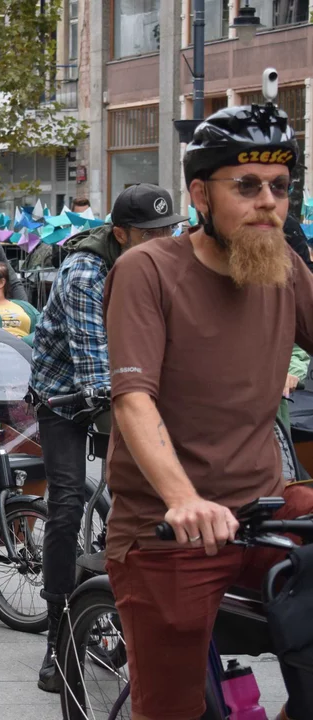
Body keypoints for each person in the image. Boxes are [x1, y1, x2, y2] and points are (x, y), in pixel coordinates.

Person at [102, 101, 313, 720]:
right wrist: (182, 499)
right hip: (167, 527)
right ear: (200, 193)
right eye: (246, 186)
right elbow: (134, 399)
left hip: (265, 509)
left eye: (279, 186)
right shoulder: (148, 270)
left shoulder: (284, 268)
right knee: (170, 707)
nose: (268, 202)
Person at [29, 182, 185, 693]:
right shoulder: (85, 273)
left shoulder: (166, 265)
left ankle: (124, 618)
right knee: (69, 501)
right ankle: (56, 641)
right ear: (121, 233)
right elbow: (95, 363)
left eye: (169, 230)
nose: (164, 240)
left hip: (126, 386)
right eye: (150, 234)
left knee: (138, 500)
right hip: (66, 396)